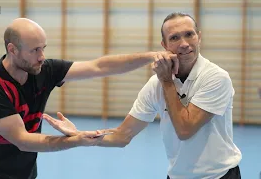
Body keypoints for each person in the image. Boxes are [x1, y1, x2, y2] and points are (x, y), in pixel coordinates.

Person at [0, 18, 178, 179]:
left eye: (43, 48)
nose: (41, 57)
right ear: (12, 49)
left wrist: (151, 56)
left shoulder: (42, 69)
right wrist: (76, 139)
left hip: (24, 171)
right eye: (35, 50)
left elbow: (99, 66)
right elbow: (23, 141)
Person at [44, 12, 242, 179]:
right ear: (164, 45)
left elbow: (185, 129)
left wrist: (166, 81)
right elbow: (122, 135)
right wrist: (79, 134)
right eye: (174, 38)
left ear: (199, 37)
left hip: (219, 175)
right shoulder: (156, 84)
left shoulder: (215, 77)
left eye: (189, 35)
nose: (184, 43)